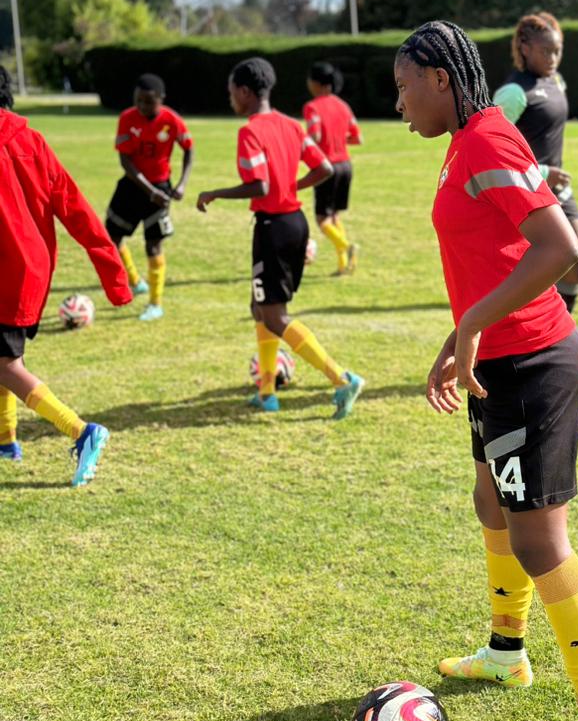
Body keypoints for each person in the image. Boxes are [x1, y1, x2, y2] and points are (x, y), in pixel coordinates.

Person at [394, 21, 578, 721]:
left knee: (541, 543)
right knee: (490, 501)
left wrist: (473, 325)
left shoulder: (489, 140)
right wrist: (456, 337)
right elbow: (487, 258)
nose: (398, 105)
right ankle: (506, 651)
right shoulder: (466, 143)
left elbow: (563, 250)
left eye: (402, 87)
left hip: (533, 363)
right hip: (497, 358)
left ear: (438, 77)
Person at [196, 57, 364, 419]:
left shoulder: (250, 131)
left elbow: (261, 184)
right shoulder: (292, 125)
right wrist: (293, 185)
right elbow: (324, 168)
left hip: (272, 228)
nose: (230, 100)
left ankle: (342, 378)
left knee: (274, 316)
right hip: (295, 222)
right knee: (260, 308)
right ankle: (267, 391)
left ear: (243, 92)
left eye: (230, 94)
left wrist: (215, 193)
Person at [0, 64, 132, 482]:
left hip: (6, 268)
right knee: (4, 357)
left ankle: (82, 431)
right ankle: (6, 440)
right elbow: (76, 208)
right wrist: (115, 279)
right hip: (31, 268)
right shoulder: (31, 139)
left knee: (6, 364)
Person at [492, 12, 578, 313]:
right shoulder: (514, 92)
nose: (553, 58)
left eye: (558, 50)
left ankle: (561, 328)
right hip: (529, 190)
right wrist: (543, 172)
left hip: (557, 189)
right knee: (538, 268)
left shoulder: (555, 80)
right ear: (524, 48)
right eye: (546, 51)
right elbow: (491, 146)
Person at [105, 73, 194, 322]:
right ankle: (135, 281)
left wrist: (182, 184)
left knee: (153, 244)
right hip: (133, 186)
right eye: (139, 100)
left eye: (149, 102)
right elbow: (125, 159)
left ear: (161, 99)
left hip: (160, 188)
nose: (143, 106)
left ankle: (156, 304)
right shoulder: (126, 118)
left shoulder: (172, 121)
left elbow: (189, 149)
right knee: (111, 237)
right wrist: (149, 190)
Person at [302, 61, 362, 275]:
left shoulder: (312, 107)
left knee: (322, 218)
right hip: (346, 165)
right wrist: (338, 139)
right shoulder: (343, 106)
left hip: (327, 167)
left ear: (318, 84)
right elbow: (357, 137)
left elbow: (315, 136)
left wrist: (304, 147)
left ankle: (346, 245)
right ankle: (343, 264)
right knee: (335, 214)